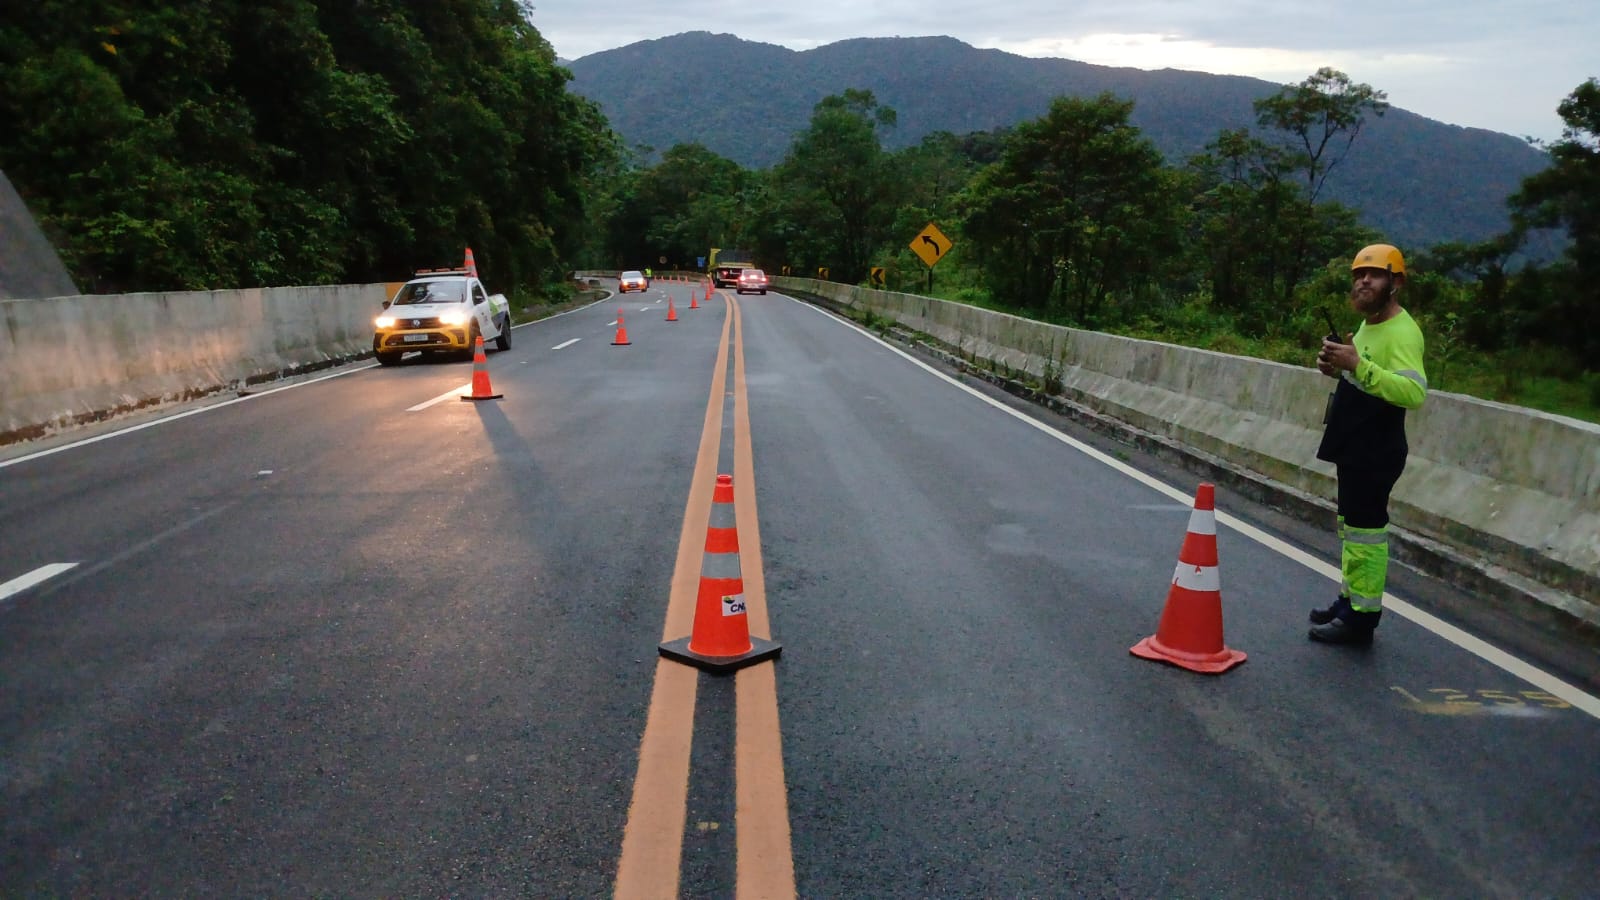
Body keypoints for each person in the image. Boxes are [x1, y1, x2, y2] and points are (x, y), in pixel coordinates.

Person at [1308, 243, 1428, 644]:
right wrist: (1338, 368)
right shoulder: (1369, 325)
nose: (1363, 282)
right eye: (1359, 275)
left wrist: (1357, 365)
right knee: (1352, 531)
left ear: (1396, 283)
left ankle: (1362, 618)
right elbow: (1366, 377)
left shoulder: (1403, 331)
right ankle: (1349, 600)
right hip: (1354, 443)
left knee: (1367, 533)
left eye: (1374, 275)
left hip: (1377, 448)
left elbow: (1413, 392)